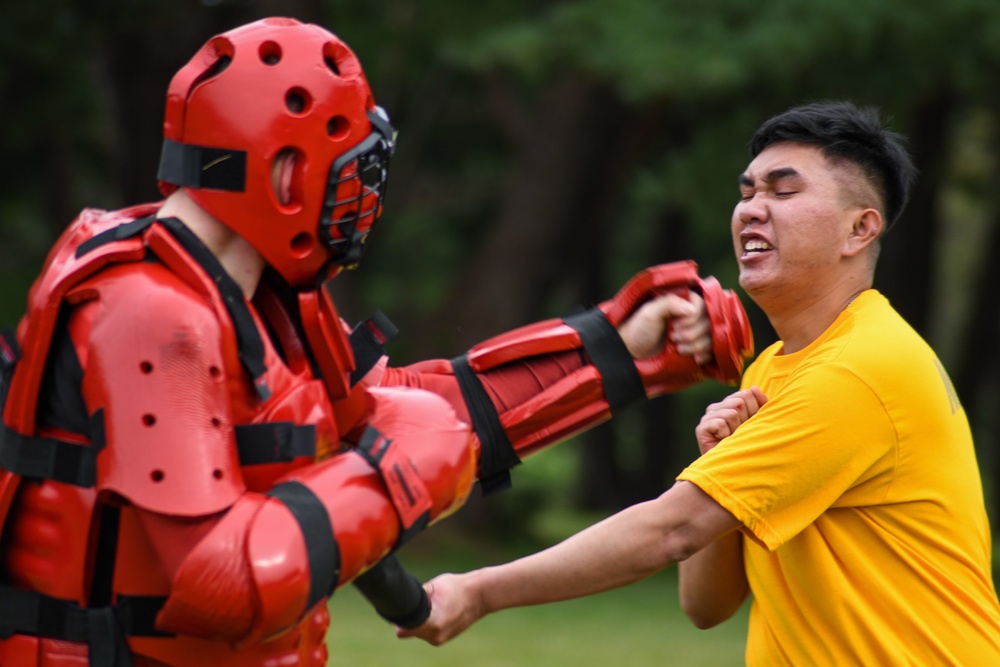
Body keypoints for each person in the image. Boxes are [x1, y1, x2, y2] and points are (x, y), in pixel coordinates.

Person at [0, 16, 753, 667]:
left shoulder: (263, 295)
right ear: (288, 172)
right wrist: (397, 482)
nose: (361, 196)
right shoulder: (148, 312)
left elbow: (390, 415)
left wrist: (617, 351)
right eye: (347, 167)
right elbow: (220, 578)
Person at [397, 101, 1000, 665]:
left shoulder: (859, 368)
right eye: (747, 191)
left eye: (784, 189)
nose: (752, 208)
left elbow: (670, 530)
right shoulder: (773, 370)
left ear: (859, 229)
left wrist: (478, 592)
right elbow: (705, 606)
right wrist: (721, 461)